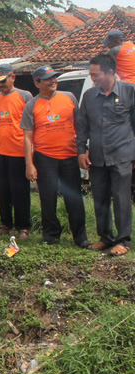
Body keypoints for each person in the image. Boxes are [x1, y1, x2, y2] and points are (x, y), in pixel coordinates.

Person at [21, 65, 90, 247]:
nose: (53, 81)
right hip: (45, 158)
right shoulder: (31, 105)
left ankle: (80, 237)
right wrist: (30, 164)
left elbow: (79, 126)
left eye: (54, 77)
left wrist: (82, 150)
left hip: (69, 156)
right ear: (37, 83)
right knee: (48, 198)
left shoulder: (69, 98)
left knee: (74, 198)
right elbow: (27, 137)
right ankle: (51, 235)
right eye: (48, 79)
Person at [77, 54, 135, 256]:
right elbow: (82, 125)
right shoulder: (90, 96)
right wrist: (81, 150)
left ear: (110, 72)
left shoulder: (129, 91)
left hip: (121, 155)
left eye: (96, 75)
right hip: (97, 157)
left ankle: (123, 241)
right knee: (100, 198)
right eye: (91, 76)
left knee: (121, 198)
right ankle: (105, 238)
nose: (93, 79)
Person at [0, 63, 34, 239]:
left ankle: (23, 226)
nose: (0, 85)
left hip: (20, 151)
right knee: (4, 189)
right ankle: (6, 223)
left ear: (12, 77)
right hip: (1, 151)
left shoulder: (25, 96)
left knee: (20, 189)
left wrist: (32, 152)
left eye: (3, 80)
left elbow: (32, 124)